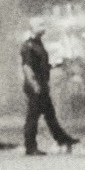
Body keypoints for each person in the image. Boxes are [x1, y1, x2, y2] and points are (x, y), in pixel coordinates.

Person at [19, 22, 77, 154]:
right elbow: (27, 67)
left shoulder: (38, 43)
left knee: (49, 114)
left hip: (42, 84)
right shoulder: (29, 46)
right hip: (35, 86)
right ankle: (30, 147)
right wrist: (35, 84)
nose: (43, 28)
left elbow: (41, 64)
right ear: (32, 29)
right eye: (39, 25)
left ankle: (62, 139)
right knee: (33, 116)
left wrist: (54, 66)